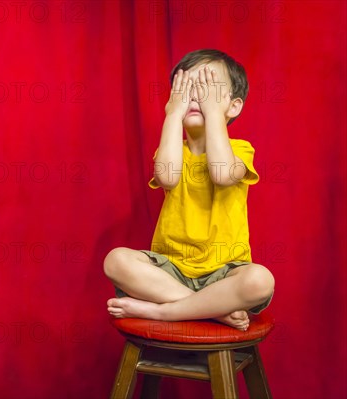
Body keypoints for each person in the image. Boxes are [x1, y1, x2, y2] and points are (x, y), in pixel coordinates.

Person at [104, 49, 274, 331]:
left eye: (207, 88)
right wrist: (173, 115)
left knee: (261, 280)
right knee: (115, 260)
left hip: (225, 272)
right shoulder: (171, 150)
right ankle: (209, 309)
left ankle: (162, 313)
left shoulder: (240, 151)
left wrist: (212, 112)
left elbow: (221, 173)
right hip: (170, 271)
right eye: (186, 89)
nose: (195, 96)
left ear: (233, 107)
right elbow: (168, 178)